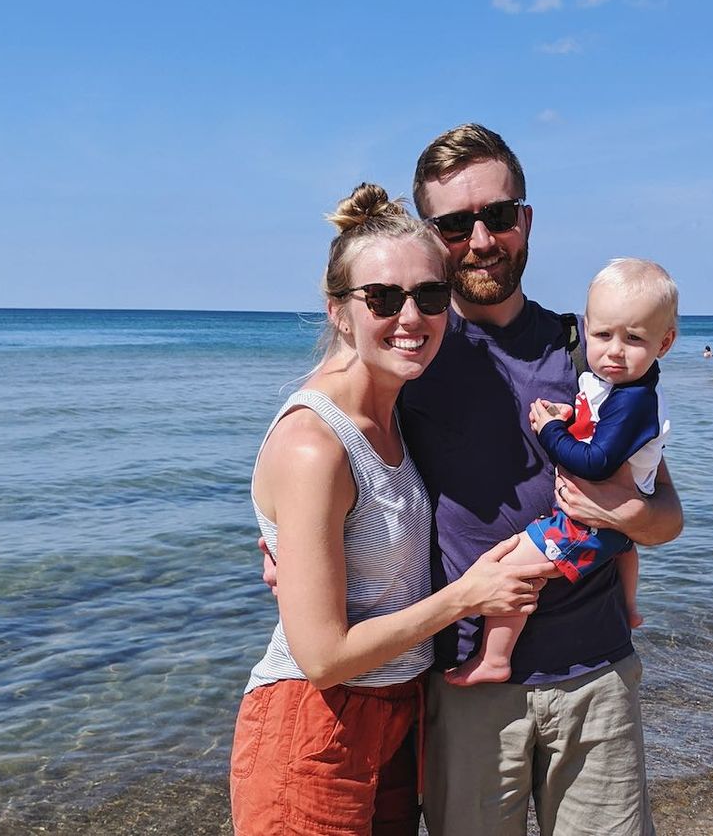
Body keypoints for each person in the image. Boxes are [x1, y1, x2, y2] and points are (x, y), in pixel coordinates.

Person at [230, 183, 552, 836]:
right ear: (339, 311)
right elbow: (323, 657)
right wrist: (468, 596)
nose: (411, 317)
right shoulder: (315, 444)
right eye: (382, 297)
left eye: (429, 296)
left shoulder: (396, 411)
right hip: (314, 723)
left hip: (398, 717)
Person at [400, 124, 683, 836]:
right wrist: (288, 536)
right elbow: (335, 445)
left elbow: (666, 514)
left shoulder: (585, 350)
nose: (481, 240)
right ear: (431, 236)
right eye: (455, 224)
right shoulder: (410, 354)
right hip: (466, 680)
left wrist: (626, 513)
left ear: (525, 220)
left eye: (497, 215)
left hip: (596, 677)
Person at [445, 257, 677, 686]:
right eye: (603, 335)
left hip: (586, 524)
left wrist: (550, 431)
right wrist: (570, 417)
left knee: (514, 567)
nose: (615, 350)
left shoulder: (633, 400)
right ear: (586, 328)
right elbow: (600, 424)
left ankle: (494, 657)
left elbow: (595, 461)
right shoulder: (620, 383)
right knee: (623, 548)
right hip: (610, 529)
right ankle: (629, 609)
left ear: (664, 343)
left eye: (634, 338)